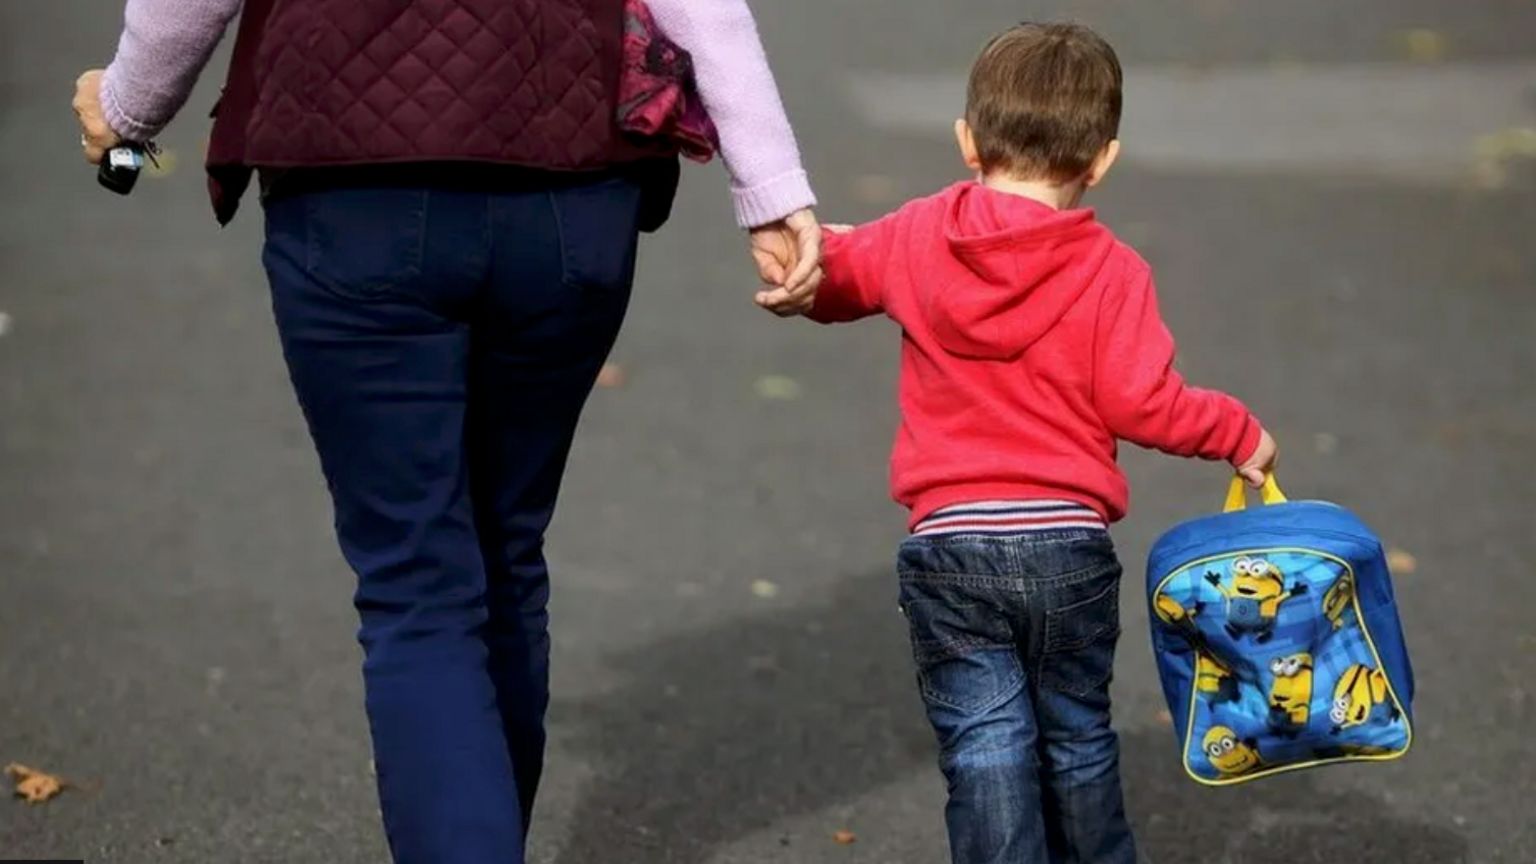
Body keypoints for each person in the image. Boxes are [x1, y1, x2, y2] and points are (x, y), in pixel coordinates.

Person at [71, 1, 821, 862]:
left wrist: (127, 108)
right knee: (505, 551)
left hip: (354, 188)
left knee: (417, 577)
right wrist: (770, 187)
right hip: (570, 190)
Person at [795, 22, 1278, 864]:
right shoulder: (1112, 268)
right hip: (1068, 545)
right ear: (1103, 161)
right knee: (1077, 736)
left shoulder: (918, 233)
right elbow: (1144, 402)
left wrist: (797, 258)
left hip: (951, 544)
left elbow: (838, 273)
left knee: (984, 747)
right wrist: (1238, 431)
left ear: (967, 141)